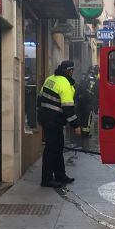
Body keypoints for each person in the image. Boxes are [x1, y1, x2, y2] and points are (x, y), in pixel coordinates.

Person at [38, 60, 81, 188]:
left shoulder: (50, 79)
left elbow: (40, 98)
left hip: (47, 118)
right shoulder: (65, 84)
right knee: (51, 149)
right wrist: (76, 126)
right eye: (72, 70)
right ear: (69, 71)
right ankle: (46, 179)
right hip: (53, 120)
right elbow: (68, 108)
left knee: (58, 147)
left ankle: (60, 175)